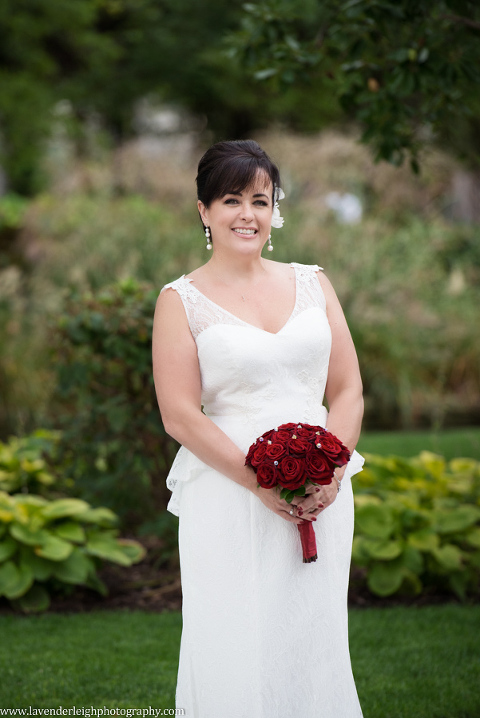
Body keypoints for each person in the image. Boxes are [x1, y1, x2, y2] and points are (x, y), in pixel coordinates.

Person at [152, 139, 365, 718]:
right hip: (228, 492)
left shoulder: (313, 282)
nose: (248, 214)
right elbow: (179, 413)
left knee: (312, 633)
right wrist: (260, 482)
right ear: (204, 211)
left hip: (324, 494)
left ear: (275, 208)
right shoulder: (181, 300)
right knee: (236, 635)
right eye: (231, 200)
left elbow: (346, 390)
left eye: (260, 199)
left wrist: (330, 472)